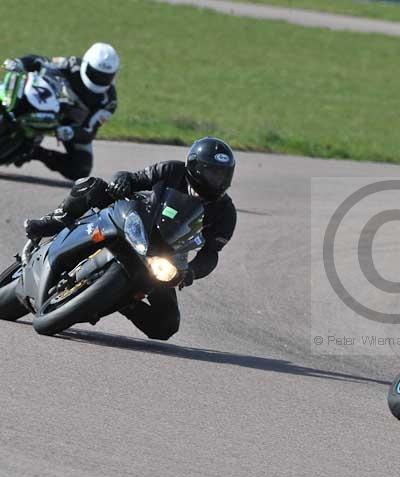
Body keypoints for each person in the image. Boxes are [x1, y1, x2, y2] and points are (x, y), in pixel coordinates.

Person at [23, 137, 237, 341]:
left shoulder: (226, 213)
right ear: (195, 167)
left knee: (167, 325)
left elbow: (210, 254)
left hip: (164, 256)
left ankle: (121, 302)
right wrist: (121, 181)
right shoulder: (172, 170)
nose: (217, 180)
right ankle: (54, 220)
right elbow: (134, 178)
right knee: (92, 186)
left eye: (222, 175)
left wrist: (190, 272)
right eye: (212, 173)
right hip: (136, 221)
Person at [3, 42, 120, 180]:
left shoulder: (109, 102)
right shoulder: (71, 65)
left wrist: (71, 132)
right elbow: (39, 61)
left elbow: (89, 131)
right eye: (95, 74)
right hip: (44, 100)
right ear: (85, 64)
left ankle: (34, 152)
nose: (99, 80)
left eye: (105, 77)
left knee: (81, 168)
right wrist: (19, 63)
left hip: (69, 124)